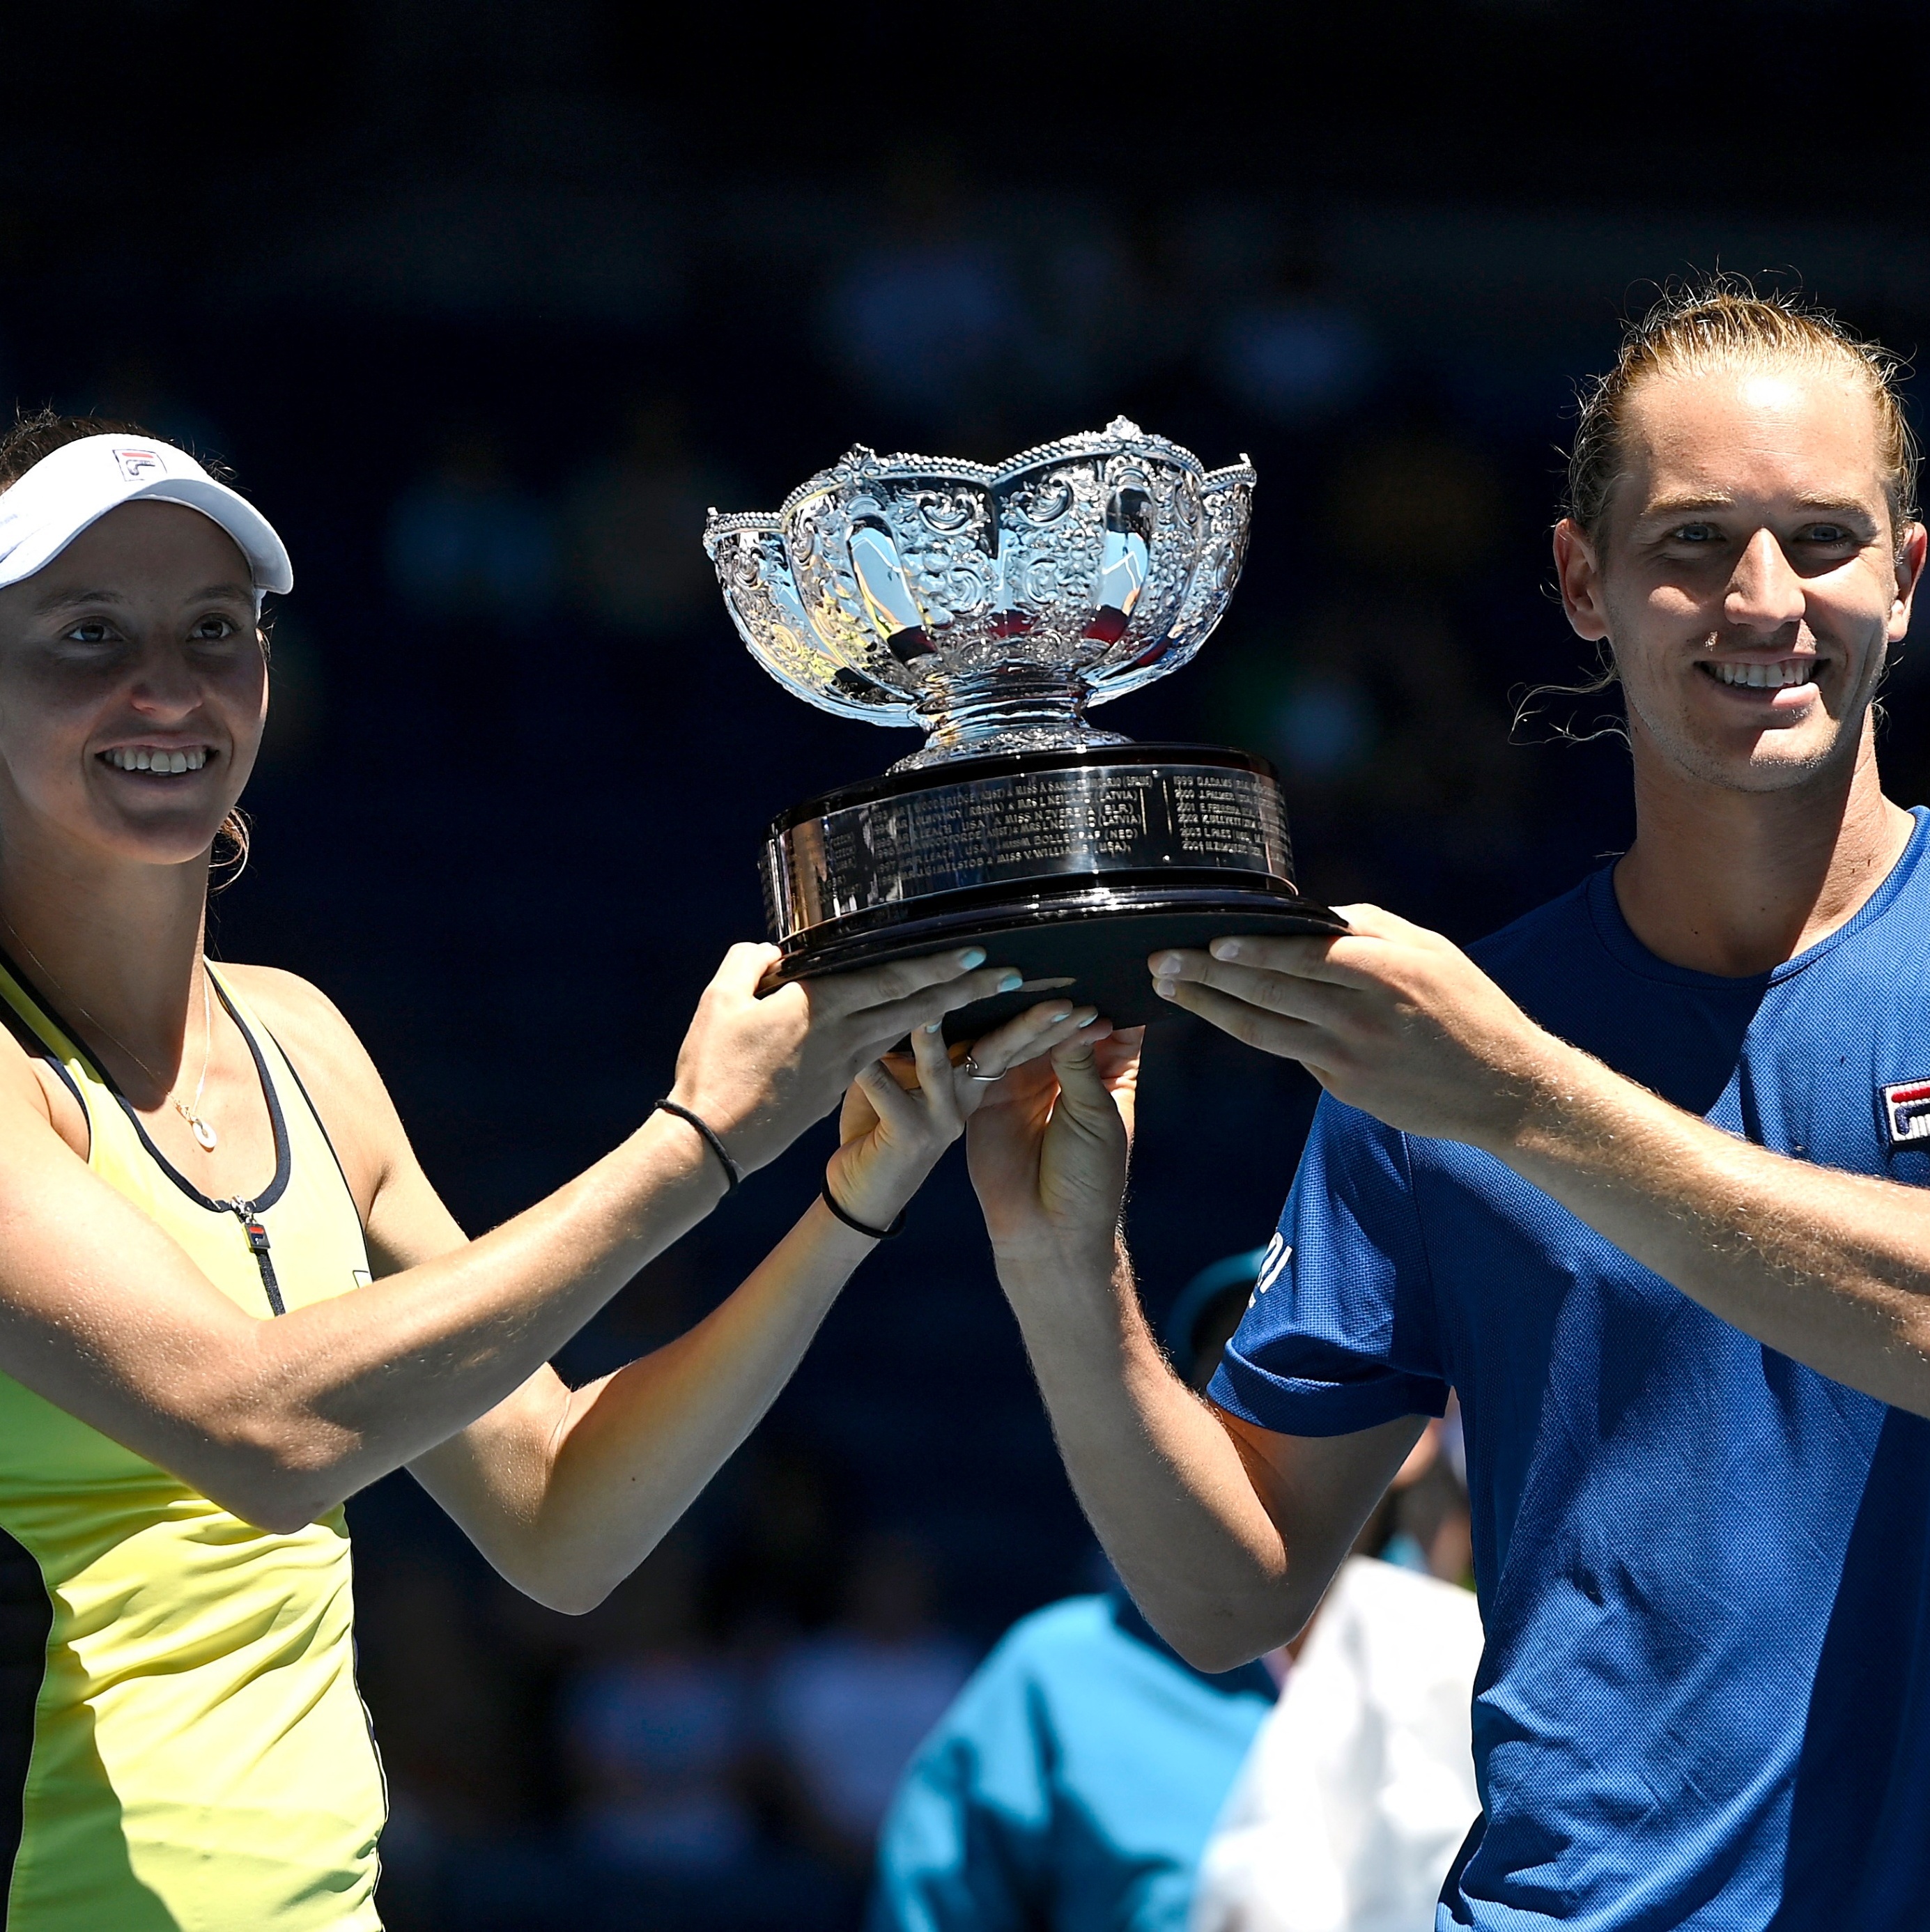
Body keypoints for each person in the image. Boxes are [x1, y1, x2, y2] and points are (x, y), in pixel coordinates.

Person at [0, 411, 1102, 1930]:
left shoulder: (303, 1042)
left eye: (213, 628)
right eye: (83, 633)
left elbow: (558, 1515)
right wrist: (699, 1142)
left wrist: (843, 1193)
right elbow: (256, 1431)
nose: (168, 685)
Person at [963, 281, 1930, 1928]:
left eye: (1819, 539)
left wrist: (1518, 1100)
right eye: (1690, 542)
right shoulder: (1446, 1054)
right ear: (1580, 582)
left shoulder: (1475, 1061)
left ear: (1904, 581)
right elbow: (1226, 1594)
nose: (1759, 598)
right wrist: (1061, 1271)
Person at [867, 1256, 1285, 1932]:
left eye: (1312, 1369)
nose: (1269, 1401)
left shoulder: (1471, 1667)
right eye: (1232, 1367)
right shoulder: (1052, 1673)